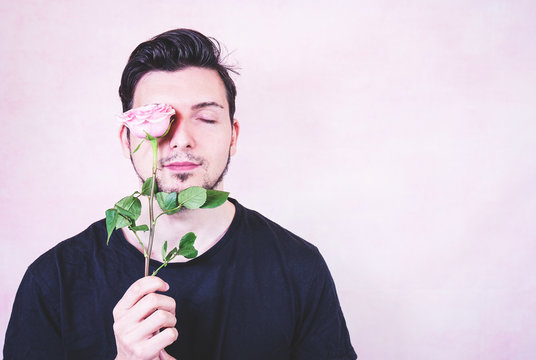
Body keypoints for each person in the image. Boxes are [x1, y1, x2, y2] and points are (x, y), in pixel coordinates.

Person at [4, 29, 356, 360]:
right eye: (160, 119)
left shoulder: (298, 268)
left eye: (205, 118)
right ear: (127, 139)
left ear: (232, 135)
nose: (181, 138)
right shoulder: (54, 280)